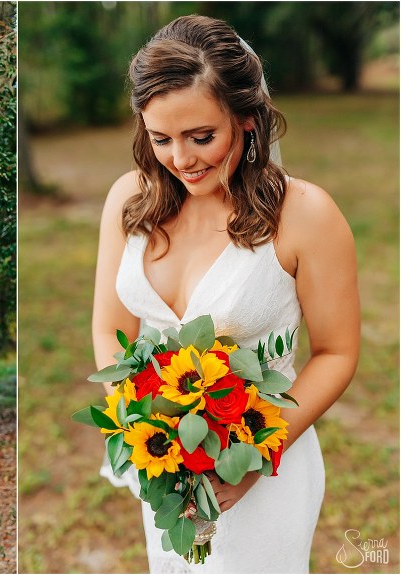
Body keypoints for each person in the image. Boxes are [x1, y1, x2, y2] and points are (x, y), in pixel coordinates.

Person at [92, 15, 360, 574]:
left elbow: (337, 352)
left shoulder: (306, 215)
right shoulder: (128, 201)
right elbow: (111, 332)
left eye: (201, 137)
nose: (181, 159)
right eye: (159, 138)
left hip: (266, 465)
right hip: (165, 471)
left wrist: (256, 456)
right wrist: (144, 426)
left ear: (247, 118)